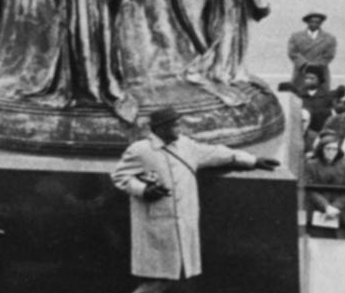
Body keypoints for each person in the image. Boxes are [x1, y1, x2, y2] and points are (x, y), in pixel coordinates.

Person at [111, 107, 267, 283]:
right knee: (157, 272)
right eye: (174, 125)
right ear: (160, 128)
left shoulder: (186, 145)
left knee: (184, 267)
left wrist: (252, 160)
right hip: (156, 221)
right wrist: (143, 190)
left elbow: (216, 153)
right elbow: (120, 176)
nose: (179, 129)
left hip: (184, 217)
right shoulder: (140, 150)